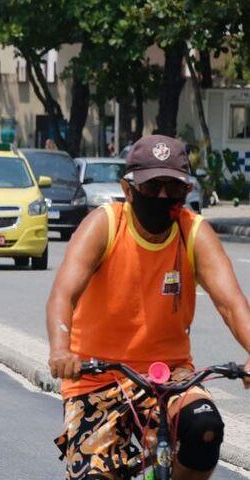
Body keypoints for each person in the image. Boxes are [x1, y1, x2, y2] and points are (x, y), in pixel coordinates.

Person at [46, 135, 250, 480]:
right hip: (97, 378)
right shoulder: (105, 225)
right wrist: (61, 351)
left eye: (174, 188)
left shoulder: (192, 232)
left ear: (187, 191)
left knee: (205, 428)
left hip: (171, 377)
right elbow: (62, 296)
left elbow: (231, 303)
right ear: (128, 190)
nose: (163, 197)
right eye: (153, 187)